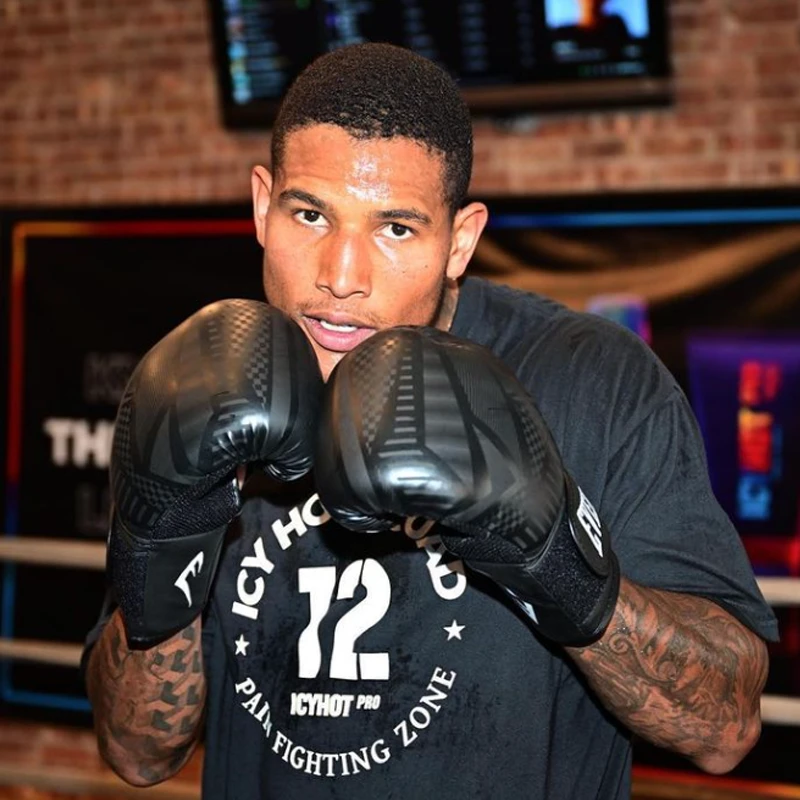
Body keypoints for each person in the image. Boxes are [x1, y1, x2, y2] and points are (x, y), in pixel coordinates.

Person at [82, 42, 776, 799]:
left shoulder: (593, 382)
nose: (341, 278)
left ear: (462, 240)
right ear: (261, 205)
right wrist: (165, 529)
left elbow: (726, 727)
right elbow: (137, 752)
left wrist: (557, 563)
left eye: (396, 229)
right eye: (310, 214)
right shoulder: (188, 390)